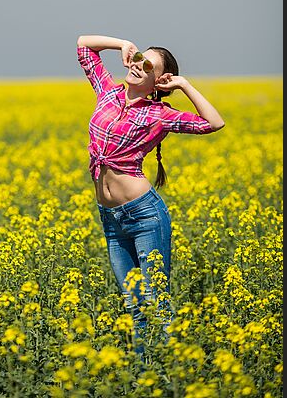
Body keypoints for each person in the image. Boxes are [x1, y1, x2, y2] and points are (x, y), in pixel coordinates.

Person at [76, 34, 225, 358]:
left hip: (144, 216)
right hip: (111, 219)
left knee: (156, 299)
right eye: (140, 58)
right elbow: (84, 46)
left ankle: (174, 368)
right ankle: (147, 375)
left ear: (160, 80)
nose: (139, 66)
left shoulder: (160, 114)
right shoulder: (107, 92)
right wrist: (122, 43)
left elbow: (214, 123)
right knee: (134, 302)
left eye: (149, 66)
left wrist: (184, 85)